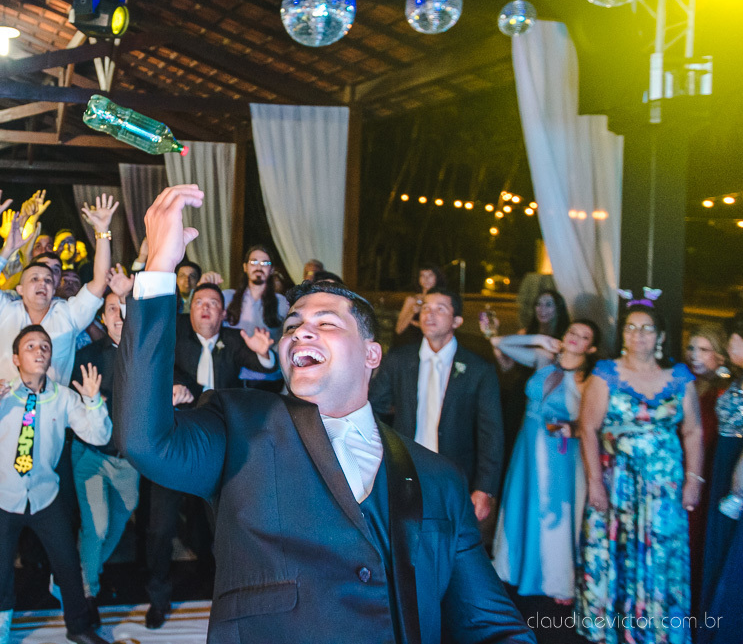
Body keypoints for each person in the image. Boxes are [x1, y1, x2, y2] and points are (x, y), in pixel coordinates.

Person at [117, 184, 534, 644]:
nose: (300, 333)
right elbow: (144, 441)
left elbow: (492, 626)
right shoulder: (239, 423)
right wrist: (157, 269)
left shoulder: (437, 477)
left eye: (326, 324)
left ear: (372, 354)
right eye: (292, 326)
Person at [0, 325, 112, 644]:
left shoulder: (64, 397)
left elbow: (99, 436)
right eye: (30, 346)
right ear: (15, 358)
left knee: (67, 564)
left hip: (43, 496)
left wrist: (94, 403)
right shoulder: (2, 393)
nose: (39, 351)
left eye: (45, 347)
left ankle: (78, 627)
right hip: (2, 498)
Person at [146, 281, 279, 628]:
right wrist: (174, 385)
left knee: (223, 527)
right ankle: (158, 598)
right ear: (189, 311)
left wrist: (264, 352)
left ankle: (221, 592)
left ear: (223, 313)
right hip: (175, 444)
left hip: (221, 448)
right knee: (160, 529)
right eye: (198, 302)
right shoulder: (173, 338)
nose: (205, 308)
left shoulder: (233, 341)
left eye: (212, 303)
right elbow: (155, 366)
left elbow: (264, 365)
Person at [577, 293, 702, 644]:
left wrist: (695, 479)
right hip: (619, 484)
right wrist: (595, 483)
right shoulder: (606, 374)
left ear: (660, 337)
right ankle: (616, 633)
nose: (638, 335)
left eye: (646, 329)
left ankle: (658, 632)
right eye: (631, 328)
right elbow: (588, 429)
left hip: (665, 488)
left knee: (661, 554)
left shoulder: (679, 377)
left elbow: (693, 431)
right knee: (619, 554)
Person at [369, 289, 504, 522]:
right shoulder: (400, 359)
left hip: (453, 474)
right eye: (425, 308)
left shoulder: (478, 368)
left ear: (457, 321)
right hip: (404, 471)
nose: (429, 314)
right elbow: (374, 408)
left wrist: (484, 489)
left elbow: (491, 432)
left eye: (440, 309)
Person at [490, 320, 601, 602]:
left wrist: (572, 428)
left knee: (553, 510)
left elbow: (595, 422)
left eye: (583, 336)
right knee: (521, 501)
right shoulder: (544, 359)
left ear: (592, 347)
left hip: (560, 454)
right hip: (527, 445)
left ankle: (554, 578)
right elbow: (500, 343)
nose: (575, 338)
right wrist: (539, 338)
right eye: (572, 332)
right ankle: (512, 568)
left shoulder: (587, 380)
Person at [0, 187, 115, 396]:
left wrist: (102, 230)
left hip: (52, 416)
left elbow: (100, 281)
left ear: (54, 287)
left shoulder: (68, 314)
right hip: (2, 413)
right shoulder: (2, 310)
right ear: (19, 288)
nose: (42, 283)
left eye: (48, 280)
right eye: (34, 278)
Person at [71, 289, 143, 626]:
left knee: (118, 521)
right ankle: (87, 592)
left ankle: (82, 569)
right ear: (103, 318)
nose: (118, 315)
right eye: (111, 309)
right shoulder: (87, 354)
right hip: (92, 456)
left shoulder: (147, 353)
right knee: (96, 527)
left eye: (124, 308)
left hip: (129, 460)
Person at [700, 313, 743, 631]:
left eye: (734, 339)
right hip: (723, 459)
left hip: (738, 463)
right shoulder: (733, 376)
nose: (730, 344)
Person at [686, 324, 731, 600]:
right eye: (691, 348)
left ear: (721, 356)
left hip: (711, 476)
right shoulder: (680, 383)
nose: (694, 355)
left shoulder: (726, 393)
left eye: (704, 350)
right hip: (674, 469)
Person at [221, 244, 289, 384]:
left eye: (265, 263)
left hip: (268, 379)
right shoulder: (227, 298)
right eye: (254, 262)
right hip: (234, 378)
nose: (259, 267)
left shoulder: (282, 303)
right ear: (245, 267)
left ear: (271, 270)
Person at [393, 265, 447, 347]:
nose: (426, 279)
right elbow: (399, 329)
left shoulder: (443, 300)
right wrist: (412, 312)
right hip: (411, 344)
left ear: (437, 278)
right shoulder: (412, 300)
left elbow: (444, 327)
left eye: (430, 275)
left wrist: (418, 322)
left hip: (434, 345)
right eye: (423, 276)